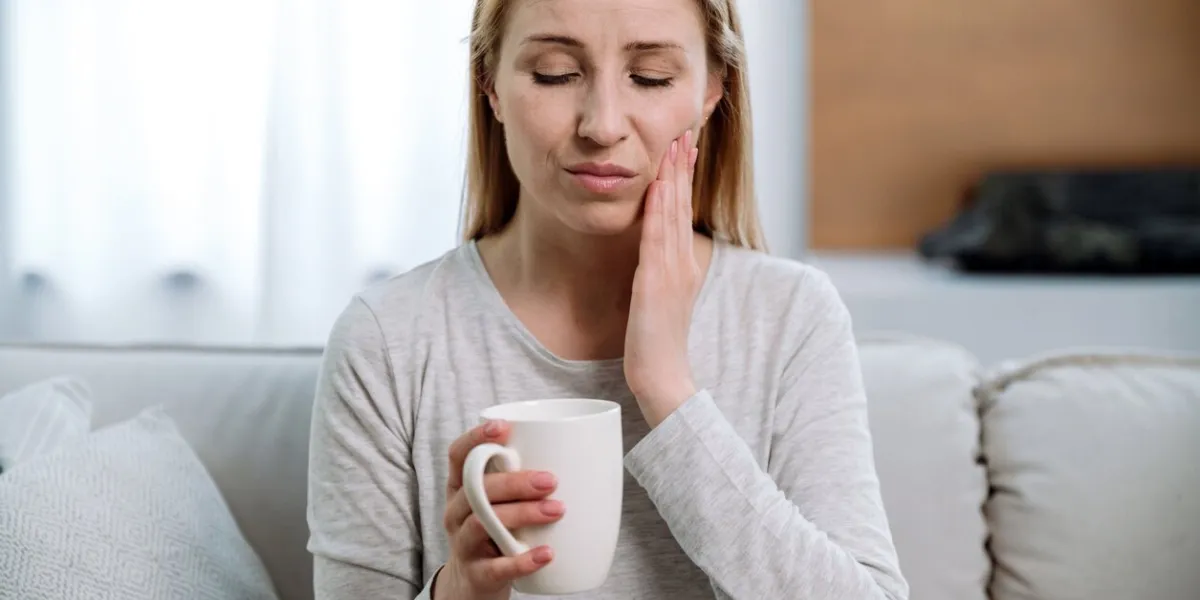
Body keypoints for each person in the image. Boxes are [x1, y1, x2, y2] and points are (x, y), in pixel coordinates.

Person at [306, 0, 909, 598]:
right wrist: (458, 590)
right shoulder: (387, 338)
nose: (602, 125)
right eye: (555, 74)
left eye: (650, 78)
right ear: (489, 84)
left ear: (712, 90)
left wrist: (669, 391)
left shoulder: (789, 316)